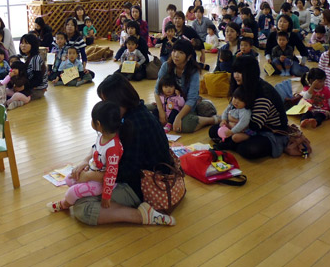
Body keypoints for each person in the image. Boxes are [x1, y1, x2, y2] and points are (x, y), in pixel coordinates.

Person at [71, 74, 176, 226]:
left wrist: (92, 176)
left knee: (82, 207)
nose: (104, 106)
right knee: (78, 190)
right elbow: (103, 142)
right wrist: (86, 161)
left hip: (141, 185)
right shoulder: (130, 113)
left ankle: (142, 216)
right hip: (134, 176)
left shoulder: (133, 124)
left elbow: (127, 172)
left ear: (118, 100)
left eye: (105, 101)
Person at [47, 101, 125, 213]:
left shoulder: (113, 148)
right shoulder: (103, 135)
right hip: (93, 172)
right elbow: (95, 150)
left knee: (71, 193)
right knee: (69, 178)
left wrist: (106, 196)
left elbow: (111, 174)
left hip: (101, 183)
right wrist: (87, 164)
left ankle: (64, 204)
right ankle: (79, 194)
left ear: (98, 124)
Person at [209, 56, 289, 159]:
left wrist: (231, 120)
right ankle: (232, 142)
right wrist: (227, 121)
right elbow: (232, 109)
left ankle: (231, 142)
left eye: (240, 72)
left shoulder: (263, 93)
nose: (236, 76)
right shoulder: (243, 86)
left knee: (249, 149)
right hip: (244, 127)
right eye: (235, 72)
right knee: (213, 130)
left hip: (269, 132)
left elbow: (254, 125)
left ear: (250, 73)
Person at [152, 39, 217, 133]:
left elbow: (191, 99)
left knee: (185, 125)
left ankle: (212, 120)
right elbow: (157, 90)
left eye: (180, 52)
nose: (175, 55)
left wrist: (178, 117)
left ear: (189, 56)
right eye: (174, 51)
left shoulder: (193, 71)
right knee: (144, 109)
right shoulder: (166, 66)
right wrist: (161, 111)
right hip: (166, 103)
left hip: (183, 106)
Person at [19, 33, 48, 99]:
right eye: (22, 43)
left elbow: (37, 79)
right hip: (32, 87)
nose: (23, 45)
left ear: (33, 45)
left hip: (37, 90)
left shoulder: (35, 59)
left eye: (26, 43)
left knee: (15, 95)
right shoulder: (28, 56)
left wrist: (24, 86)